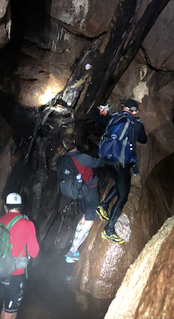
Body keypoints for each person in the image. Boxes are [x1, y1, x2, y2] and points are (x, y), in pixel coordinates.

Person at [94, 99, 147, 244]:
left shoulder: (113, 117)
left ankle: (103, 205)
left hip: (106, 159)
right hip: (121, 162)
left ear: (123, 108)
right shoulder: (136, 124)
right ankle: (109, 229)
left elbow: (97, 118)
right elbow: (144, 140)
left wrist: (98, 109)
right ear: (134, 111)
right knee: (123, 195)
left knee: (119, 183)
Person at [0, 192, 39, 319]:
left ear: (5, 207)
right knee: (11, 314)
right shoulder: (27, 224)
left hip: (0, 273)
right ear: (21, 207)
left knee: (5, 306)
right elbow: (34, 252)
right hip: (14, 275)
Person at [58, 137, 104, 263]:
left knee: (85, 216)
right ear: (74, 141)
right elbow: (99, 162)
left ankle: (73, 248)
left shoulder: (62, 159)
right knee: (90, 220)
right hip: (89, 190)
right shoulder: (81, 157)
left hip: (79, 192)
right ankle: (72, 252)